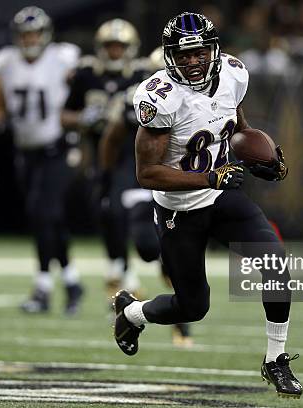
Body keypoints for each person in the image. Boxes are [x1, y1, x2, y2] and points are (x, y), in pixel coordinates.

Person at [112, 12, 303, 398]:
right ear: (169, 57)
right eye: (182, 56)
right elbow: (147, 173)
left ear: (213, 50)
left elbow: (239, 129)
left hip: (222, 196)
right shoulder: (159, 97)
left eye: (198, 53)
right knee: (192, 307)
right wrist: (208, 177)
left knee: (276, 265)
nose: (192, 61)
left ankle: (275, 359)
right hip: (179, 211)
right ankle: (131, 313)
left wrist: (261, 157)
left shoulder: (233, 74)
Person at [0, 6, 84, 315]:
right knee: (47, 218)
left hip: (59, 147)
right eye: (24, 34)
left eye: (34, 33)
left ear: (45, 34)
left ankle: (42, 287)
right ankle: (71, 280)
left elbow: (80, 94)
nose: (29, 39)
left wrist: (81, 118)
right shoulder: (5, 62)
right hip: (26, 151)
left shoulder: (64, 58)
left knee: (43, 213)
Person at [99, 47, 193, 347]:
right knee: (149, 248)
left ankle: (182, 319)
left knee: (173, 251)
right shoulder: (135, 100)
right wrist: (108, 176)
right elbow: (112, 138)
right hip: (144, 179)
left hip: (179, 182)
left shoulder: (196, 99)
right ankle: (135, 297)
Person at [61, 19, 147, 304]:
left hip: (129, 152)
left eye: (119, 46)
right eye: (110, 46)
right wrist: (82, 119)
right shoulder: (86, 74)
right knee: (103, 210)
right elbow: (65, 115)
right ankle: (119, 269)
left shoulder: (143, 74)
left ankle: (123, 272)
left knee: (117, 209)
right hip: (96, 152)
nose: (114, 51)